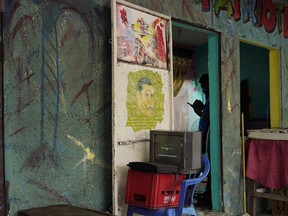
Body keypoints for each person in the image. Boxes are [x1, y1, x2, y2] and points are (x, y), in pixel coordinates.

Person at [188, 73, 211, 207]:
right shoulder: (208, 99)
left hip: (208, 137)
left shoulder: (213, 98)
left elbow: (209, 118)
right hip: (204, 135)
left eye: (204, 86)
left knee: (209, 168)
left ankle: (209, 198)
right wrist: (202, 109)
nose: (203, 89)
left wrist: (199, 112)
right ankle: (207, 195)